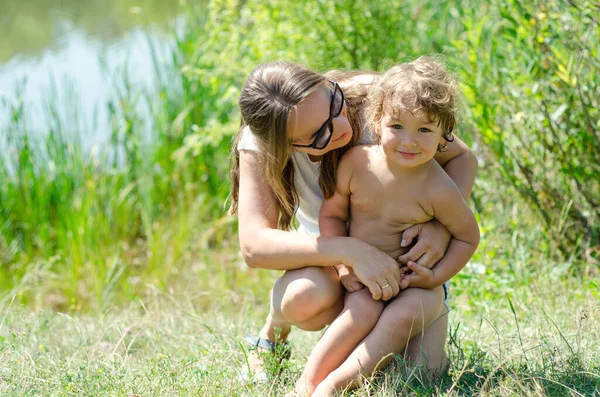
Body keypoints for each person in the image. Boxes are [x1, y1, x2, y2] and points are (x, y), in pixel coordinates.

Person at [229, 60, 477, 384]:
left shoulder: (380, 102)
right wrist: (349, 252)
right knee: (304, 298)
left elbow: (462, 158)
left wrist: (441, 229)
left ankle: (400, 327)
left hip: (403, 260)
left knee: (418, 375)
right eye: (320, 135)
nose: (343, 126)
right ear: (286, 145)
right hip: (331, 261)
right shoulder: (263, 143)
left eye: (333, 102)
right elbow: (254, 246)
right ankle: (272, 335)